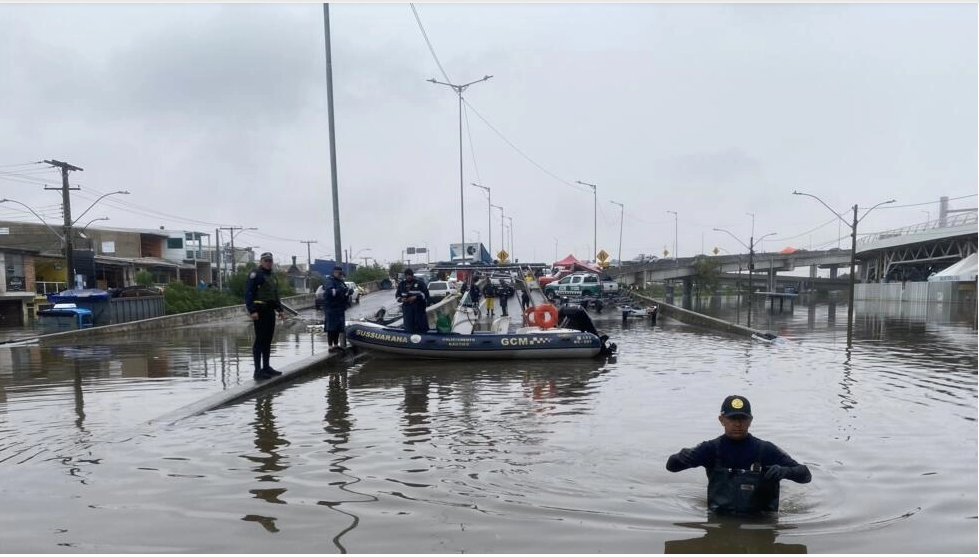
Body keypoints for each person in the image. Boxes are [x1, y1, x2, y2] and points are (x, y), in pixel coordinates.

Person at [665, 395, 811, 515]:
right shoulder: (709, 449)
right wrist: (681, 457)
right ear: (721, 420)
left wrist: (785, 471)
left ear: (750, 421)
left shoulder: (766, 449)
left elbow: (805, 475)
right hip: (719, 517)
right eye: (732, 418)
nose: (738, 424)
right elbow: (671, 467)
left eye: (742, 418)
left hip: (761, 522)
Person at [244, 252, 286, 380]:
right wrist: (252, 311)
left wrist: (280, 310)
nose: (268, 263)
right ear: (261, 261)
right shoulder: (256, 274)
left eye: (270, 261)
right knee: (260, 340)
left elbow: (275, 294)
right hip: (260, 311)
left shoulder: (272, 276)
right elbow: (248, 293)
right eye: (266, 261)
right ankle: (257, 371)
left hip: (270, 311)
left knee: (268, 340)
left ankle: (266, 367)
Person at [322, 265, 350, 352]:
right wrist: (339, 290)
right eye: (339, 274)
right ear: (335, 273)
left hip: (339, 308)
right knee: (331, 328)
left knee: (337, 327)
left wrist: (348, 292)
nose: (341, 275)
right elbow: (331, 292)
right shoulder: (330, 281)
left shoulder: (340, 281)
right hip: (331, 308)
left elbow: (343, 292)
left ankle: (336, 345)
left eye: (341, 274)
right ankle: (330, 347)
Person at [396, 268, 430, 334]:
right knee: (409, 327)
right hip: (407, 310)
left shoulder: (420, 283)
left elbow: (426, 294)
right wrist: (401, 299)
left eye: (410, 275)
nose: (409, 277)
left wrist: (416, 297)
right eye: (407, 275)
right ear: (405, 276)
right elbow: (397, 296)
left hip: (419, 309)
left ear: (412, 275)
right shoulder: (401, 284)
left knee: (421, 326)